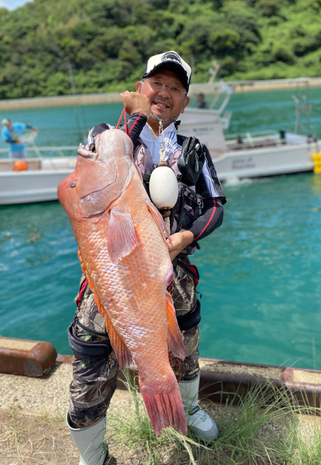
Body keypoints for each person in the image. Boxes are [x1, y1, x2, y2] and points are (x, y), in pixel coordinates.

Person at [66, 51, 226, 465]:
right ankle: (93, 454)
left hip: (176, 272)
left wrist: (183, 238)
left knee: (185, 348)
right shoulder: (107, 135)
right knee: (91, 360)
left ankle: (186, 407)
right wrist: (138, 117)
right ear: (141, 88)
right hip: (114, 275)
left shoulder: (193, 150)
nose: (165, 93)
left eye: (176, 88)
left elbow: (215, 206)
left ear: (186, 102)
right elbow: (106, 162)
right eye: (158, 83)